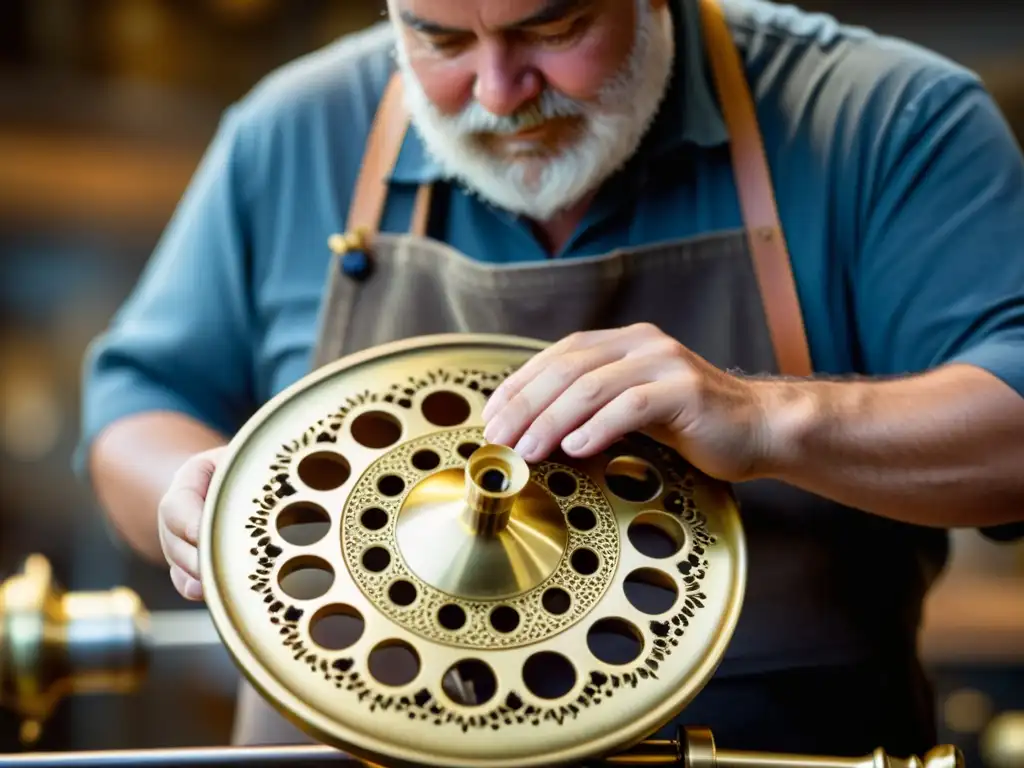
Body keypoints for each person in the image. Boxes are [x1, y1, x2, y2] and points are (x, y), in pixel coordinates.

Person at [76, 0, 1024, 759]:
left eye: (555, 28)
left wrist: (768, 419)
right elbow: (137, 404)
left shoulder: (879, 119)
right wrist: (198, 495)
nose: (498, 91)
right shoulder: (293, 131)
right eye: (438, 37)